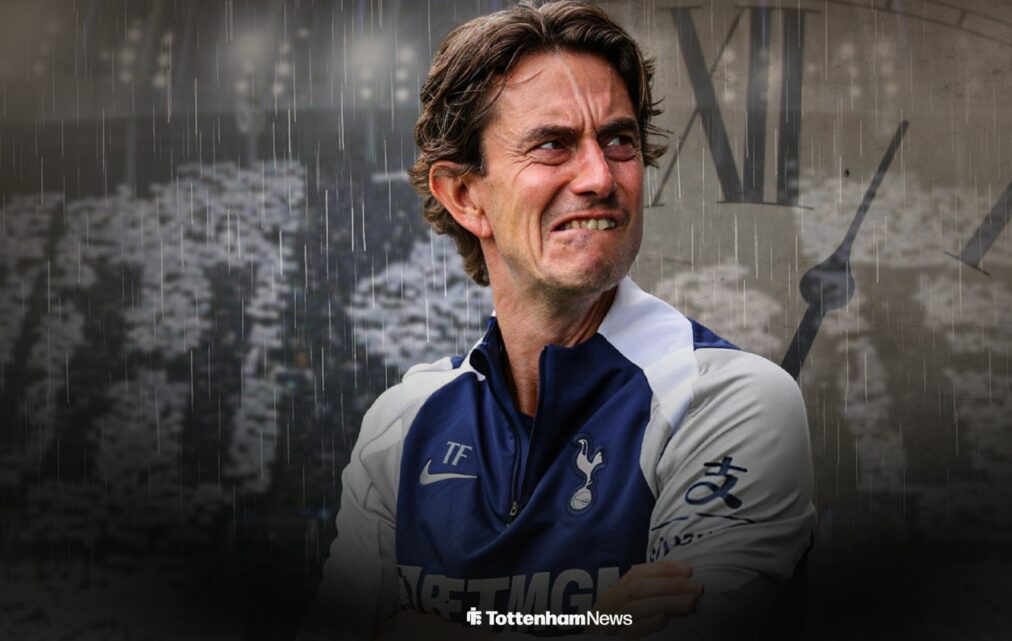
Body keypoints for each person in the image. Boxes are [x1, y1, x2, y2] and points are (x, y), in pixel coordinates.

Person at [298, 2, 814, 639]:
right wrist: (594, 622)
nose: (601, 176)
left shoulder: (731, 402)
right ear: (464, 195)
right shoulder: (402, 424)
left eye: (619, 140)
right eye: (552, 145)